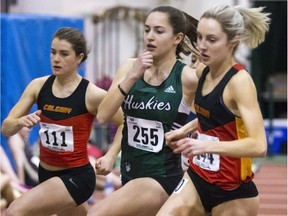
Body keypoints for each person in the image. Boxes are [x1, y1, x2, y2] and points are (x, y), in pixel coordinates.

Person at [156, 4, 270, 216]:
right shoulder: (202, 71)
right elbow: (213, 117)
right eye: (199, 37)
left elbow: (259, 145)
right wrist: (183, 131)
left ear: (232, 43)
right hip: (197, 178)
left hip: (233, 191)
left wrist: (205, 146)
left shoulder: (240, 83)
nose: (201, 46)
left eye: (212, 39)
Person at [87, 5, 199, 216]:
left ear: (177, 38)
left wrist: (186, 131)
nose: (150, 36)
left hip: (162, 176)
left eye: (159, 31)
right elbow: (103, 115)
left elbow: (218, 115)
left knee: (96, 214)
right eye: (147, 30)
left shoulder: (187, 78)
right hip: (129, 173)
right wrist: (111, 154)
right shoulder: (130, 67)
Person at [1, 27, 123, 216]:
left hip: (77, 176)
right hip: (46, 172)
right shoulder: (38, 86)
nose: (56, 58)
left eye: (64, 54)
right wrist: (20, 122)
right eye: (53, 52)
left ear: (79, 58)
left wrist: (111, 155)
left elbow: (125, 123)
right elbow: (6, 128)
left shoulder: (92, 94)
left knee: (14, 212)